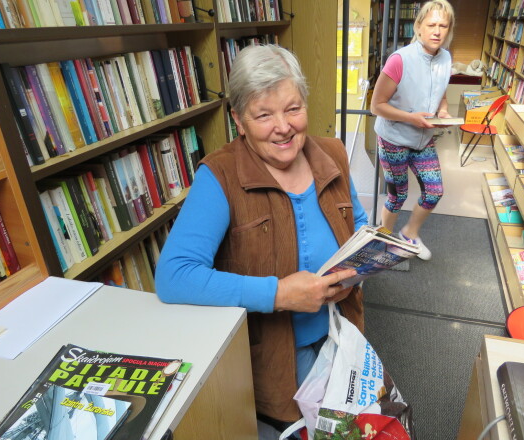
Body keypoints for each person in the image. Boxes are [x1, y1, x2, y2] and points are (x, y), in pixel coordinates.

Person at [154, 45, 368, 437]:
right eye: (263, 115)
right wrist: (278, 294)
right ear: (238, 120)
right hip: (270, 365)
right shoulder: (219, 177)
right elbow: (174, 276)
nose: (283, 127)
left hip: (342, 338)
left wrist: (359, 267)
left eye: (292, 108)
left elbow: (359, 223)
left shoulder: (333, 154)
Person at [370, 0, 455, 260]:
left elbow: (441, 92)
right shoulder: (400, 60)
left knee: (434, 191)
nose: (437, 31)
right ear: (418, 27)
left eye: (443, 25)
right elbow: (377, 105)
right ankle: (381, 241)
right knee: (398, 195)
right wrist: (410, 118)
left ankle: (409, 233)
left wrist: (442, 111)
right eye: (431, 25)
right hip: (394, 138)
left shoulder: (446, 57)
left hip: (423, 139)